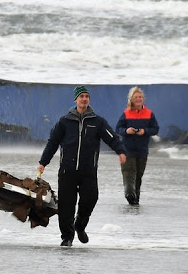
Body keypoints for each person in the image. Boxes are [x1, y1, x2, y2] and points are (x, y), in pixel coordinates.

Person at [37, 85, 126, 247]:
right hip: (67, 171)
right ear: (75, 100)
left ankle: (80, 225)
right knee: (66, 206)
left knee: (91, 198)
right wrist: (43, 162)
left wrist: (120, 151)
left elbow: (111, 138)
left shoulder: (98, 122)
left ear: (89, 100)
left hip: (88, 171)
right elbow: (52, 143)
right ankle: (67, 237)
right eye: (81, 96)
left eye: (86, 96)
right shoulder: (64, 122)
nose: (84, 99)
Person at [115, 86, 159, 205]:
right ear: (131, 99)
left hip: (142, 150)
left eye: (140, 97)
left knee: (138, 177)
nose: (138, 99)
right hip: (127, 149)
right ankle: (129, 195)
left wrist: (145, 131)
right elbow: (118, 129)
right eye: (136, 97)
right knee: (129, 174)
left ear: (143, 99)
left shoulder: (149, 113)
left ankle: (135, 201)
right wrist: (126, 131)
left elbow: (155, 129)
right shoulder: (126, 113)